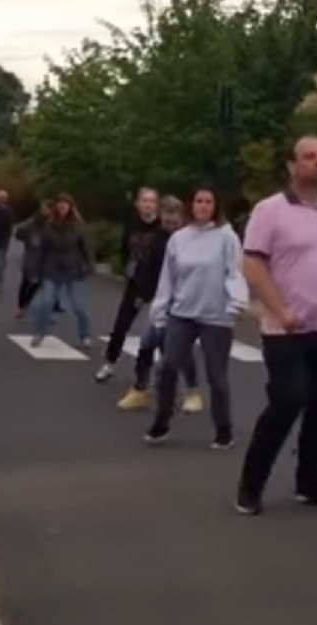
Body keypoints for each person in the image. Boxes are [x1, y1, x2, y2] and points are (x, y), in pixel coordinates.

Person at [234, 135, 317, 516]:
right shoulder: (270, 211)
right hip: (287, 331)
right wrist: (280, 310)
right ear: (292, 166)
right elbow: (253, 265)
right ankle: (250, 486)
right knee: (288, 400)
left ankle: (309, 480)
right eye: (309, 157)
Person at [143, 188, 247, 447]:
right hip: (183, 313)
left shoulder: (226, 237)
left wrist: (237, 301)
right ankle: (161, 423)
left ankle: (224, 429)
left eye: (208, 202)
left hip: (216, 316)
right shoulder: (179, 239)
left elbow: (235, 272)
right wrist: (160, 308)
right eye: (198, 201)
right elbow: (169, 277)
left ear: (215, 206)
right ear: (191, 206)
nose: (202, 206)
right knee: (168, 366)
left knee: (216, 375)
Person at [116, 195, 200, 413]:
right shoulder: (156, 239)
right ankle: (142, 389)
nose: (171, 223)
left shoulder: (189, 240)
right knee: (147, 344)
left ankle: (191, 391)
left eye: (175, 219)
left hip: (183, 303)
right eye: (167, 218)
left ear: (182, 218)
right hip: (161, 301)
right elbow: (148, 268)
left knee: (179, 349)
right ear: (161, 216)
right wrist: (142, 293)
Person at [94, 187, 167, 382]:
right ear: (138, 204)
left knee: (157, 330)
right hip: (136, 281)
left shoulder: (163, 229)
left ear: (157, 205)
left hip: (160, 285)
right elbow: (124, 249)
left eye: (152, 201)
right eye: (144, 200)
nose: (148, 205)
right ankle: (110, 361)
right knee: (121, 325)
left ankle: (158, 372)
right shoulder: (131, 225)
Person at [27, 195, 94, 348]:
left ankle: (85, 335)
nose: (63, 208)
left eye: (66, 205)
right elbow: (41, 250)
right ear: (56, 207)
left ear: (71, 207)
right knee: (46, 302)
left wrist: (89, 265)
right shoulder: (49, 227)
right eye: (60, 205)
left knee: (79, 306)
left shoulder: (78, 227)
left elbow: (85, 248)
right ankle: (39, 332)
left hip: (73, 269)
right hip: (52, 269)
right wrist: (35, 270)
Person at [15, 200, 52, 319]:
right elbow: (19, 233)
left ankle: (25, 304)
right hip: (32, 256)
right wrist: (27, 237)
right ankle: (21, 306)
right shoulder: (33, 222)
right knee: (27, 281)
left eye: (48, 208)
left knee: (38, 284)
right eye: (45, 208)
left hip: (47, 258)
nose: (46, 211)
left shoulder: (54, 223)